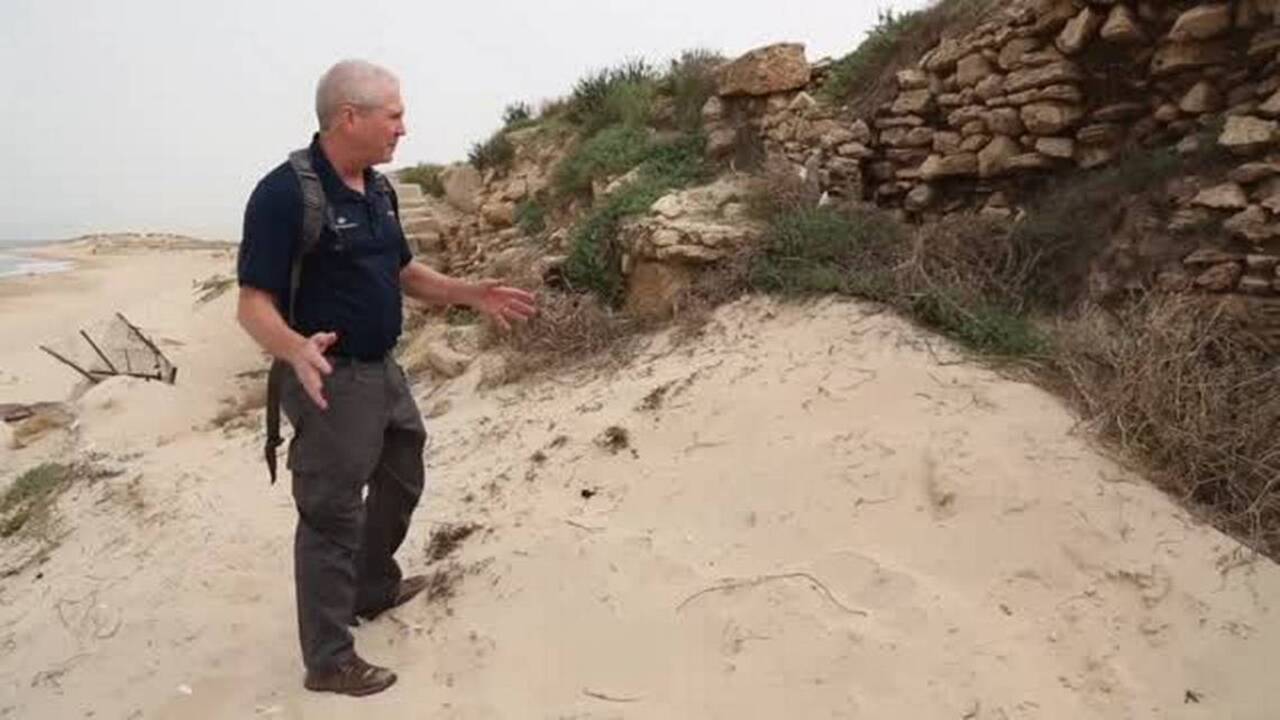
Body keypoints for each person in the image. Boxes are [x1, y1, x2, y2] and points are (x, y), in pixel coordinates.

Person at [235, 59, 536, 697]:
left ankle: (371, 587)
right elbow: (251, 304)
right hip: (328, 380)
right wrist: (293, 348)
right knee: (329, 515)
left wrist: (469, 293)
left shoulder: (377, 188)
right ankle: (328, 659)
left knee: (403, 472)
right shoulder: (285, 193)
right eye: (393, 115)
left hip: (384, 370)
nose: (403, 127)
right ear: (351, 116)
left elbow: (402, 272)